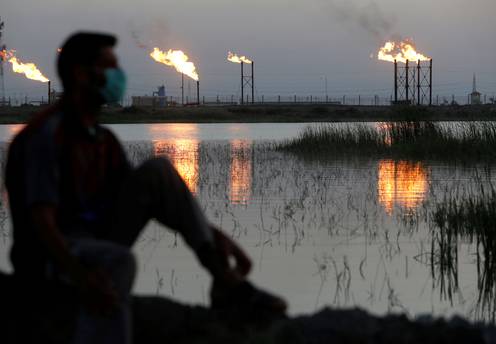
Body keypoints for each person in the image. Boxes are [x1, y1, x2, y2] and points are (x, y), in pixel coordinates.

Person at [5, 32, 286, 344]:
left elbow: (147, 196)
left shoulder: (103, 140)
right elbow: (41, 224)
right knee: (118, 261)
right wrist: (81, 277)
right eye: (109, 67)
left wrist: (214, 235)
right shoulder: (46, 136)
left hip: (94, 238)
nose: (117, 76)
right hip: (52, 257)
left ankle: (226, 279)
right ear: (81, 74)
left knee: (158, 171)